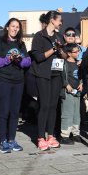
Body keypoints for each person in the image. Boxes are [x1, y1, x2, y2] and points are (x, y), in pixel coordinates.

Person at [0, 18, 31, 153]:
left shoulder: (21, 44)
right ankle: (2, 140)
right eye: (13, 26)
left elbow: (28, 61)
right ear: (7, 27)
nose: (15, 29)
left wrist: (20, 61)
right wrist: (8, 59)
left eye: (17, 27)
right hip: (3, 80)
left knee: (15, 112)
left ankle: (12, 139)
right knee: (4, 111)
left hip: (18, 81)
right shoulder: (0, 41)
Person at [30, 11, 65, 151]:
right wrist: (53, 49)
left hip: (56, 74)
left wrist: (61, 51)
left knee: (53, 106)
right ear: (52, 20)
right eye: (59, 20)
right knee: (44, 106)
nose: (61, 23)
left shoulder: (58, 36)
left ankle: (50, 136)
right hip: (43, 75)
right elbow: (38, 57)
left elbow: (63, 55)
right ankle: (40, 138)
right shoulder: (39, 36)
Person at [60, 43, 83, 145]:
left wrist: (82, 83)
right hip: (67, 92)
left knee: (76, 114)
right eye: (76, 52)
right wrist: (66, 84)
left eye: (78, 51)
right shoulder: (64, 63)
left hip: (77, 93)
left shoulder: (78, 63)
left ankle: (75, 134)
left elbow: (82, 75)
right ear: (69, 53)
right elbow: (61, 75)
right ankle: (64, 135)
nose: (78, 53)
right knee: (67, 114)